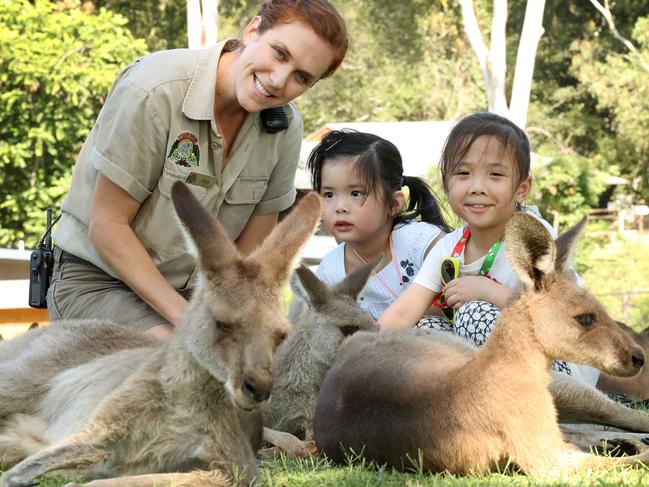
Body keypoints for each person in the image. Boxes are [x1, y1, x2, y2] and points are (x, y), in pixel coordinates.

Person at [47, 0, 349, 337]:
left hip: (200, 297)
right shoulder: (154, 90)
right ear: (252, 30)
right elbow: (107, 227)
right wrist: (192, 323)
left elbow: (246, 262)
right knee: (174, 356)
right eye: (279, 53)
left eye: (301, 77)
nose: (279, 81)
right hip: (98, 281)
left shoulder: (285, 127)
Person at [378, 112, 600, 386]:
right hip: (500, 369)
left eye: (495, 174)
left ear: (522, 188)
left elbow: (557, 313)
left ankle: (520, 405)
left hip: (561, 366)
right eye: (463, 173)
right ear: (447, 184)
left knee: (472, 314)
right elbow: (402, 312)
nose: (477, 187)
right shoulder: (449, 246)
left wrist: (487, 290)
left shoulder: (533, 235)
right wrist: (362, 350)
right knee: (419, 330)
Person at [308, 130, 452, 320]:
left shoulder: (420, 243)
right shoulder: (330, 272)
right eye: (329, 195)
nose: (339, 207)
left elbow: (462, 296)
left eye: (356, 193)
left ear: (393, 203)